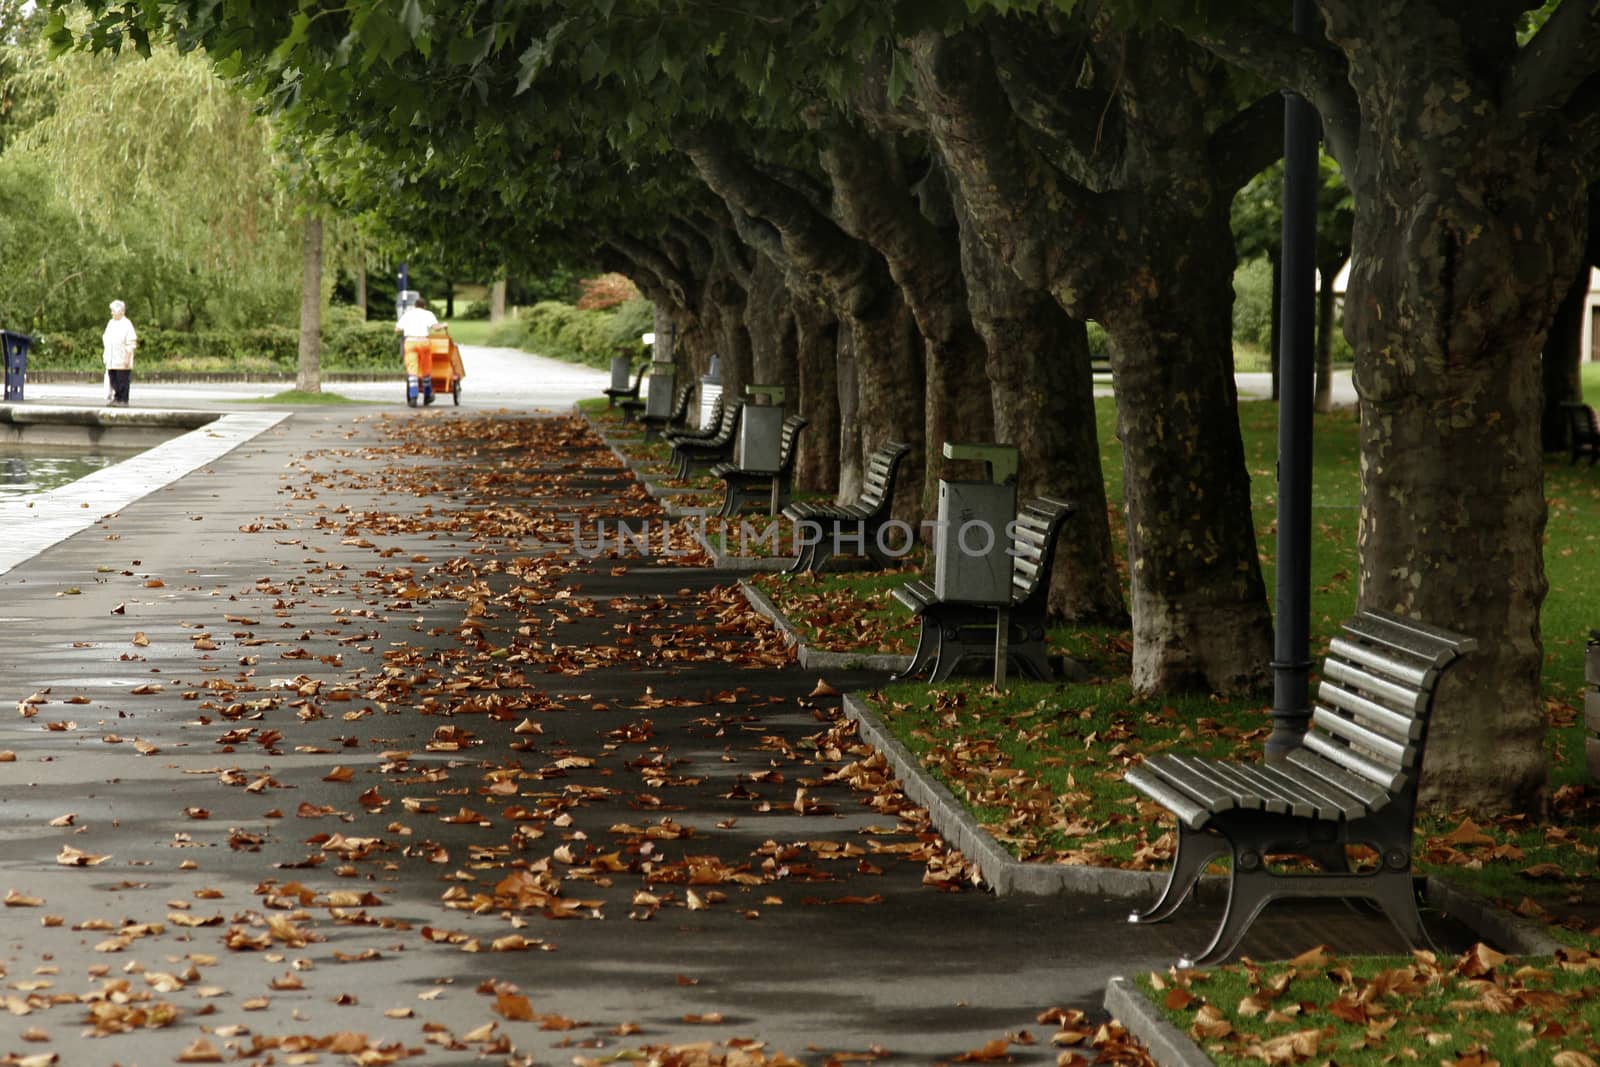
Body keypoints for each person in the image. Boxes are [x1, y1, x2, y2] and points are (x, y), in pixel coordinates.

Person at [395, 296, 440, 405]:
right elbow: (435, 328)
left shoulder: (407, 314)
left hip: (410, 342)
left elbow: (397, 329)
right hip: (423, 342)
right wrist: (444, 325)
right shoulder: (428, 314)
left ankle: (413, 397)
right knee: (426, 370)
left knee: (412, 371)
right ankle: (427, 395)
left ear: (414, 306)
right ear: (424, 306)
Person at [102, 300, 137, 407]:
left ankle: (123, 399)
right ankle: (116, 398)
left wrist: (127, 357)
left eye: (113, 311)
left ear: (121, 312)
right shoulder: (110, 323)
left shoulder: (127, 324)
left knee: (123, 380)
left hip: (122, 358)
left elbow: (131, 342)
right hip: (111, 358)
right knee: (113, 379)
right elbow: (106, 338)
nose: (112, 313)